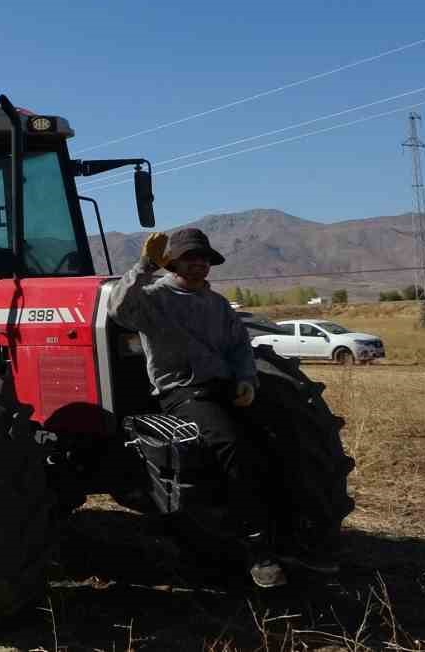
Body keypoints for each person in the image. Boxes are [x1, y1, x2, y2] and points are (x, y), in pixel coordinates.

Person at [108, 227, 336, 589]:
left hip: (227, 388)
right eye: (190, 258)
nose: (199, 264)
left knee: (282, 437)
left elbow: (239, 347)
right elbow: (118, 309)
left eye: (204, 259)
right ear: (171, 262)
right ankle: (257, 550)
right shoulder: (153, 299)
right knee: (232, 447)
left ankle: (299, 536)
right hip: (183, 393)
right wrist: (143, 266)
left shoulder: (217, 304)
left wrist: (247, 378)